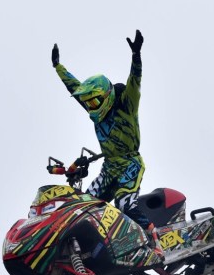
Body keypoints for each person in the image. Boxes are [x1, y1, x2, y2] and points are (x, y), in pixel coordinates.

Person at [51, 31, 152, 232]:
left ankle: (155, 238)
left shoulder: (126, 106)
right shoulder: (94, 109)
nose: (91, 106)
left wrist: (136, 56)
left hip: (129, 164)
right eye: (88, 102)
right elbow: (74, 86)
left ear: (106, 96)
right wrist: (57, 67)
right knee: (84, 208)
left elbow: (134, 83)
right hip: (109, 166)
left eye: (94, 100)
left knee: (124, 206)